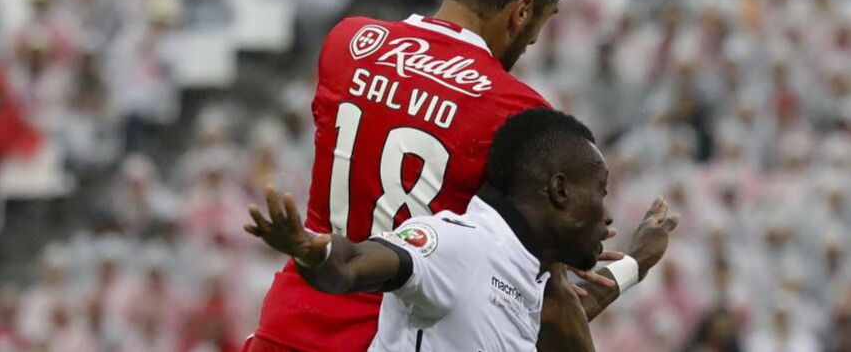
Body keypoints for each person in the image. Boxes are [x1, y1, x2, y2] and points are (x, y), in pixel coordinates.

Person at [247, 0, 653, 351]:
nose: (536, 38)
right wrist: (628, 262)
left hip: (289, 323)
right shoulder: (519, 111)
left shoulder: (349, 42)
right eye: (543, 18)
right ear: (521, 12)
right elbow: (546, 310)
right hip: (390, 338)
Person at [246, 108, 679, 351]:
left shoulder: (527, 276)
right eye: (601, 192)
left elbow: (548, 318)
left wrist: (637, 262)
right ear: (560, 190)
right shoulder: (460, 244)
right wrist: (311, 250)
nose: (608, 215)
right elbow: (352, 263)